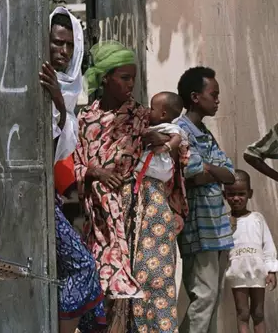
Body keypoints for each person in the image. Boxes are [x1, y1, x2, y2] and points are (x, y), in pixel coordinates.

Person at [74, 40, 185, 332]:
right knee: (106, 285)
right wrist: (95, 172)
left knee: (155, 279)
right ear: (105, 77)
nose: (131, 83)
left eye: (133, 77)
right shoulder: (85, 120)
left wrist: (163, 143)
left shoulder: (142, 116)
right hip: (104, 216)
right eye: (124, 77)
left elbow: (178, 143)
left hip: (147, 207)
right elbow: (73, 163)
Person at [40, 7, 105, 333]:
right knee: (83, 267)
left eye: (68, 45)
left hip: (49, 199)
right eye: (55, 43)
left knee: (80, 273)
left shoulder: (63, 88)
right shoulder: (37, 82)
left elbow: (62, 147)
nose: (62, 52)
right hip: (33, 199)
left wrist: (57, 100)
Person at [175, 66, 236, 333]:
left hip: (216, 230)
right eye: (214, 94)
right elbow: (194, 173)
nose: (218, 99)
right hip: (198, 230)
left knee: (210, 300)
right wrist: (211, 170)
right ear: (195, 97)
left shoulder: (204, 133)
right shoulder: (180, 130)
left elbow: (231, 173)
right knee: (204, 297)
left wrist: (210, 169)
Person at [224, 169, 278, 333]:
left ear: (250, 194)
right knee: (243, 313)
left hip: (257, 272)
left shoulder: (257, 218)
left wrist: (271, 270)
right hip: (237, 273)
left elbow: (268, 245)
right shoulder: (225, 221)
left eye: (241, 193)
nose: (236, 198)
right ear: (224, 195)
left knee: (258, 313)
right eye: (231, 194)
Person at [137, 91, 189, 233]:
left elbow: (177, 138)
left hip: (159, 167)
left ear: (163, 115)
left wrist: (166, 146)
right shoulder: (149, 125)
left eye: (152, 108)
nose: (148, 111)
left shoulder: (170, 127)